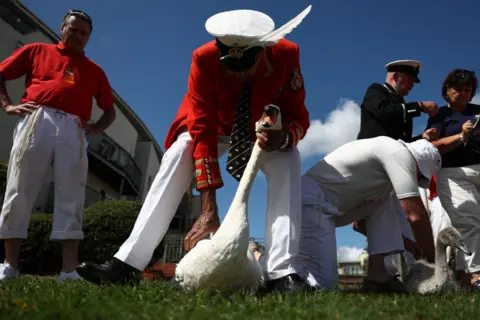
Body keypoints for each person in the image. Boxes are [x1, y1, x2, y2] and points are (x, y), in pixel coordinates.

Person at [76, 7, 313, 293]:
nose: (236, 77)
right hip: (214, 126)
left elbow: (298, 115)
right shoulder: (203, 57)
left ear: (262, 51)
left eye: (245, 68)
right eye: (229, 67)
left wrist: (284, 137)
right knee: (181, 150)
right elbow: (202, 129)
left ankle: (281, 272)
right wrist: (208, 209)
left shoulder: (287, 54)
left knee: (289, 157)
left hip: (262, 130)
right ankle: (127, 263)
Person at [0, 10, 116, 281]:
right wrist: (8, 105)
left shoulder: (94, 71)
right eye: (73, 29)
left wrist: (95, 128)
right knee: (19, 188)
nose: (77, 36)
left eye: (83, 33)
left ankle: (69, 269)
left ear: (89, 38)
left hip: (74, 127)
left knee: (72, 193)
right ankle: (9, 264)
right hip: (36, 117)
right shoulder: (37, 50)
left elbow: (109, 110)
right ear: (62, 28)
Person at [297, 136, 441, 293]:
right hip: (310, 204)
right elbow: (415, 216)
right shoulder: (399, 153)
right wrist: (433, 263)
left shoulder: (386, 170)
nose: (416, 181)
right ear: (418, 163)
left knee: (386, 197)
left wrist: (404, 241)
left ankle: (378, 277)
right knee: (323, 287)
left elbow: (361, 225)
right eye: (419, 177)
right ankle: (279, 276)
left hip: (327, 206)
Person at [426, 68, 480, 291]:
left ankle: (464, 283)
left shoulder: (478, 111)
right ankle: (477, 276)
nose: (463, 93)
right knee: (469, 221)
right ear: (447, 91)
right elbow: (435, 146)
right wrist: (461, 136)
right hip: (454, 174)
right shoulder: (439, 117)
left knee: (469, 224)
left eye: (468, 89)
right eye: (458, 89)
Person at [357, 59, 438, 142]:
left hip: (390, 152)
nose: (413, 84)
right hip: (372, 150)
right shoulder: (376, 89)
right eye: (410, 79)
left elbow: (404, 142)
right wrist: (420, 106)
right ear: (395, 76)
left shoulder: (402, 106)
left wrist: (423, 137)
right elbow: (385, 111)